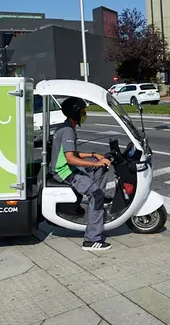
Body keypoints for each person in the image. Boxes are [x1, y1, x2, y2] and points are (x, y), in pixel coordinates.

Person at [50, 96, 114, 251]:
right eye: (82, 111)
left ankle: (97, 197)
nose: (84, 114)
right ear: (75, 113)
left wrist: (94, 155)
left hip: (66, 168)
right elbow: (70, 159)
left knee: (100, 167)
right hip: (64, 172)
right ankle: (92, 240)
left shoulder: (67, 128)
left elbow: (73, 153)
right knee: (96, 194)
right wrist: (96, 162)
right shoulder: (67, 131)